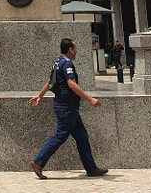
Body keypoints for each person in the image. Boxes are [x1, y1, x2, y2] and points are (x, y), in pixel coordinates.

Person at [29, 38, 108, 180]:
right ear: (70, 49)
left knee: (82, 136)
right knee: (60, 136)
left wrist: (40, 96)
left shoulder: (57, 62)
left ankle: (91, 168)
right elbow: (71, 84)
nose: (76, 50)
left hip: (67, 107)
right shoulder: (67, 64)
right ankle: (38, 162)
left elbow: (50, 81)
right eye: (75, 47)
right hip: (66, 107)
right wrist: (90, 99)